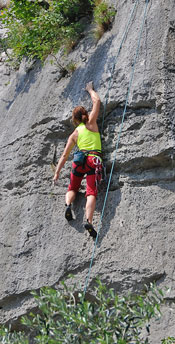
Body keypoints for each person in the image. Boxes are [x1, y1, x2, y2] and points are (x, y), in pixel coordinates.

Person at [53, 81, 102, 239]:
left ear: (75, 120)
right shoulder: (91, 123)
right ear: (85, 115)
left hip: (79, 161)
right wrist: (90, 90)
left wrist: (57, 173)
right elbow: (97, 101)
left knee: (73, 187)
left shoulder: (74, 133)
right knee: (91, 192)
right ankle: (88, 221)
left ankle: (68, 205)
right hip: (93, 160)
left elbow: (64, 156)